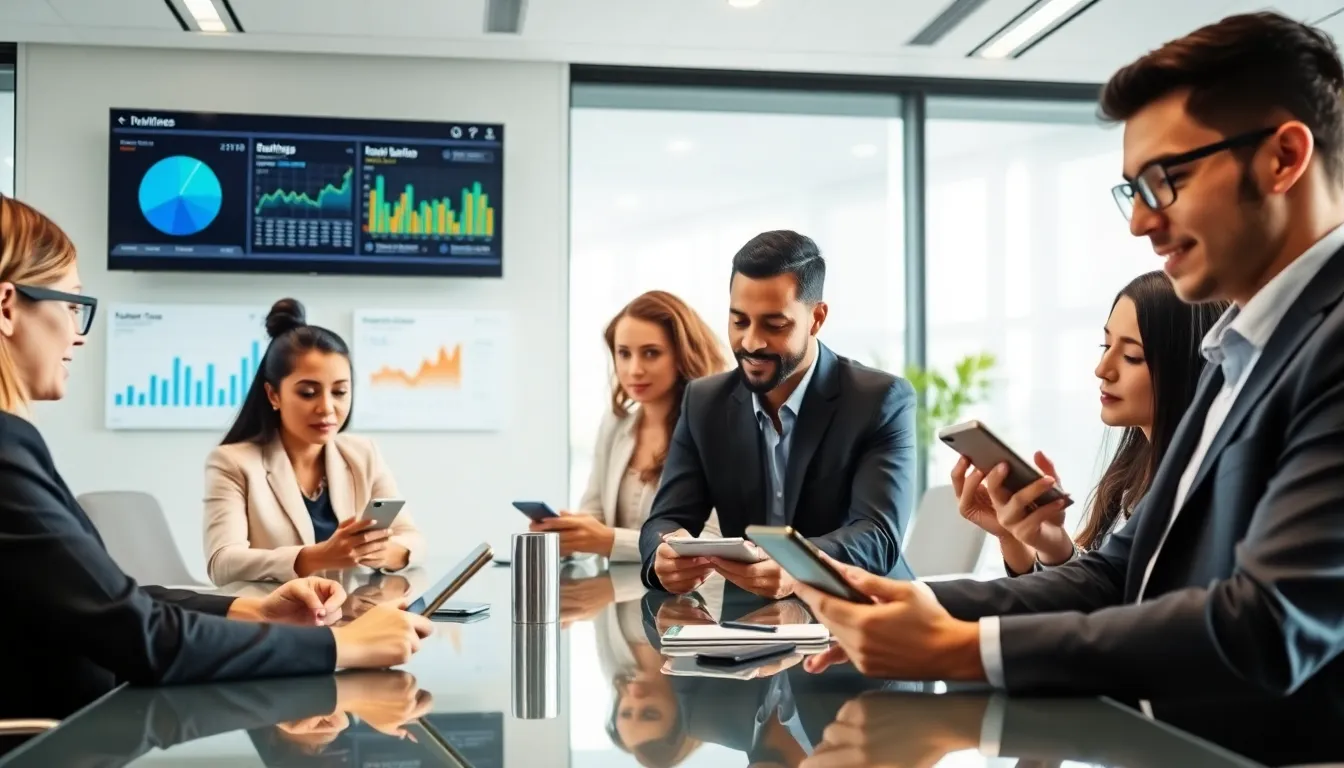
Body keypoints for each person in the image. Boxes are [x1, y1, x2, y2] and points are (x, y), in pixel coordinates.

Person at [790, 10, 1344, 724]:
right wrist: (928, 603)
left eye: (1164, 180)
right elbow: (1121, 575)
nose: (1140, 223)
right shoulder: (1236, 346)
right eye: (1132, 191)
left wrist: (963, 649)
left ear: (1282, 158)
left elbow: (1268, 626)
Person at [0, 196, 433, 736]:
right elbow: (142, 635)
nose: (79, 332)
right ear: (8, 306)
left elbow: (115, 605)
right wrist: (340, 644)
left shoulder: (13, 449)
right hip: (66, 739)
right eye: (71, 305)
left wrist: (256, 613)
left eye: (340, 392)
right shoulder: (6, 456)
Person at [639, 230, 918, 598]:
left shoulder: (880, 400)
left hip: (868, 617)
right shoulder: (704, 402)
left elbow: (876, 536)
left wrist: (797, 565)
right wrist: (664, 553)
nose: (751, 342)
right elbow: (665, 518)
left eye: (775, 325)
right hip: (754, 623)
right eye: (739, 322)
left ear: (816, 318)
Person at [954, 271, 1227, 575]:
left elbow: (1112, 612)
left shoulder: (1202, 494)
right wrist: (1016, 536)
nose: (1102, 369)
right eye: (1105, 347)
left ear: (1186, 367)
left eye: (1132, 356)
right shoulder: (1128, 477)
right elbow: (1089, 596)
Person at [204, 299, 425, 585]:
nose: (327, 408)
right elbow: (222, 563)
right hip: (273, 620)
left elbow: (413, 539)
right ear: (273, 395)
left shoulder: (363, 453)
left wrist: (387, 553)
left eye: (340, 392)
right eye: (308, 393)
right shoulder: (232, 462)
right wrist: (318, 556)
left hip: (350, 616)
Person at [530, 290, 727, 561]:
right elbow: (595, 513)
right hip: (617, 594)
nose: (634, 369)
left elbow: (711, 542)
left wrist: (608, 541)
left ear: (683, 356)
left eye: (650, 353)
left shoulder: (713, 430)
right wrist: (570, 535)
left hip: (694, 597)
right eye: (624, 353)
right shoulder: (615, 425)